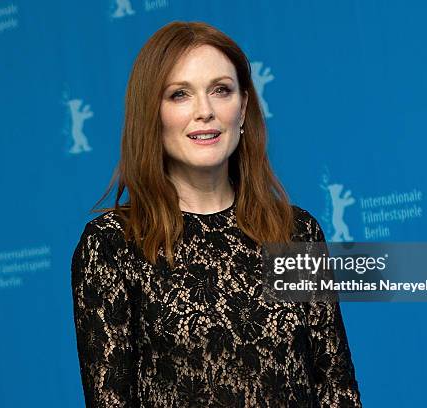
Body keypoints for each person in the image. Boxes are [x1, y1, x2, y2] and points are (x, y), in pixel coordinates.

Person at [71, 21, 362, 407]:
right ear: (151, 115)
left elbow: (336, 389)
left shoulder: (296, 231)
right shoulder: (112, 245)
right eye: (179, 95)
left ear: (242, 108)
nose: (204, 111)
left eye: (220, 90)